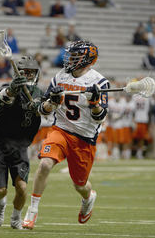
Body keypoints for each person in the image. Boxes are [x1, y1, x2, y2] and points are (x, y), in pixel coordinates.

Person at [22, 40, 110, 229]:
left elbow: (100, 118)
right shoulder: (60, 76)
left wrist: (94, 103)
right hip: (60, 130)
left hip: (84, 138)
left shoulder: (100, 82)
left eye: (75, 56)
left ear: (87, 60)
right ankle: (32, 211)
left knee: (80, 185)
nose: (69, 59)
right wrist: (52, 102)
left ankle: (88, 198)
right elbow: (43, 111)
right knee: (45, 164)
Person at [0, 56, 44, 230]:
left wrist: (49, 102)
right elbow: (5, 96)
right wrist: (13, 88)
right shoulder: (8, 88)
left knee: (22, 188)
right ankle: (1, 203)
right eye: (26, 72)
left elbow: (46, 108)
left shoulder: (38, 93)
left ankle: (16, 217)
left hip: (19, 145)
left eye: (32, 72)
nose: (29, 75)